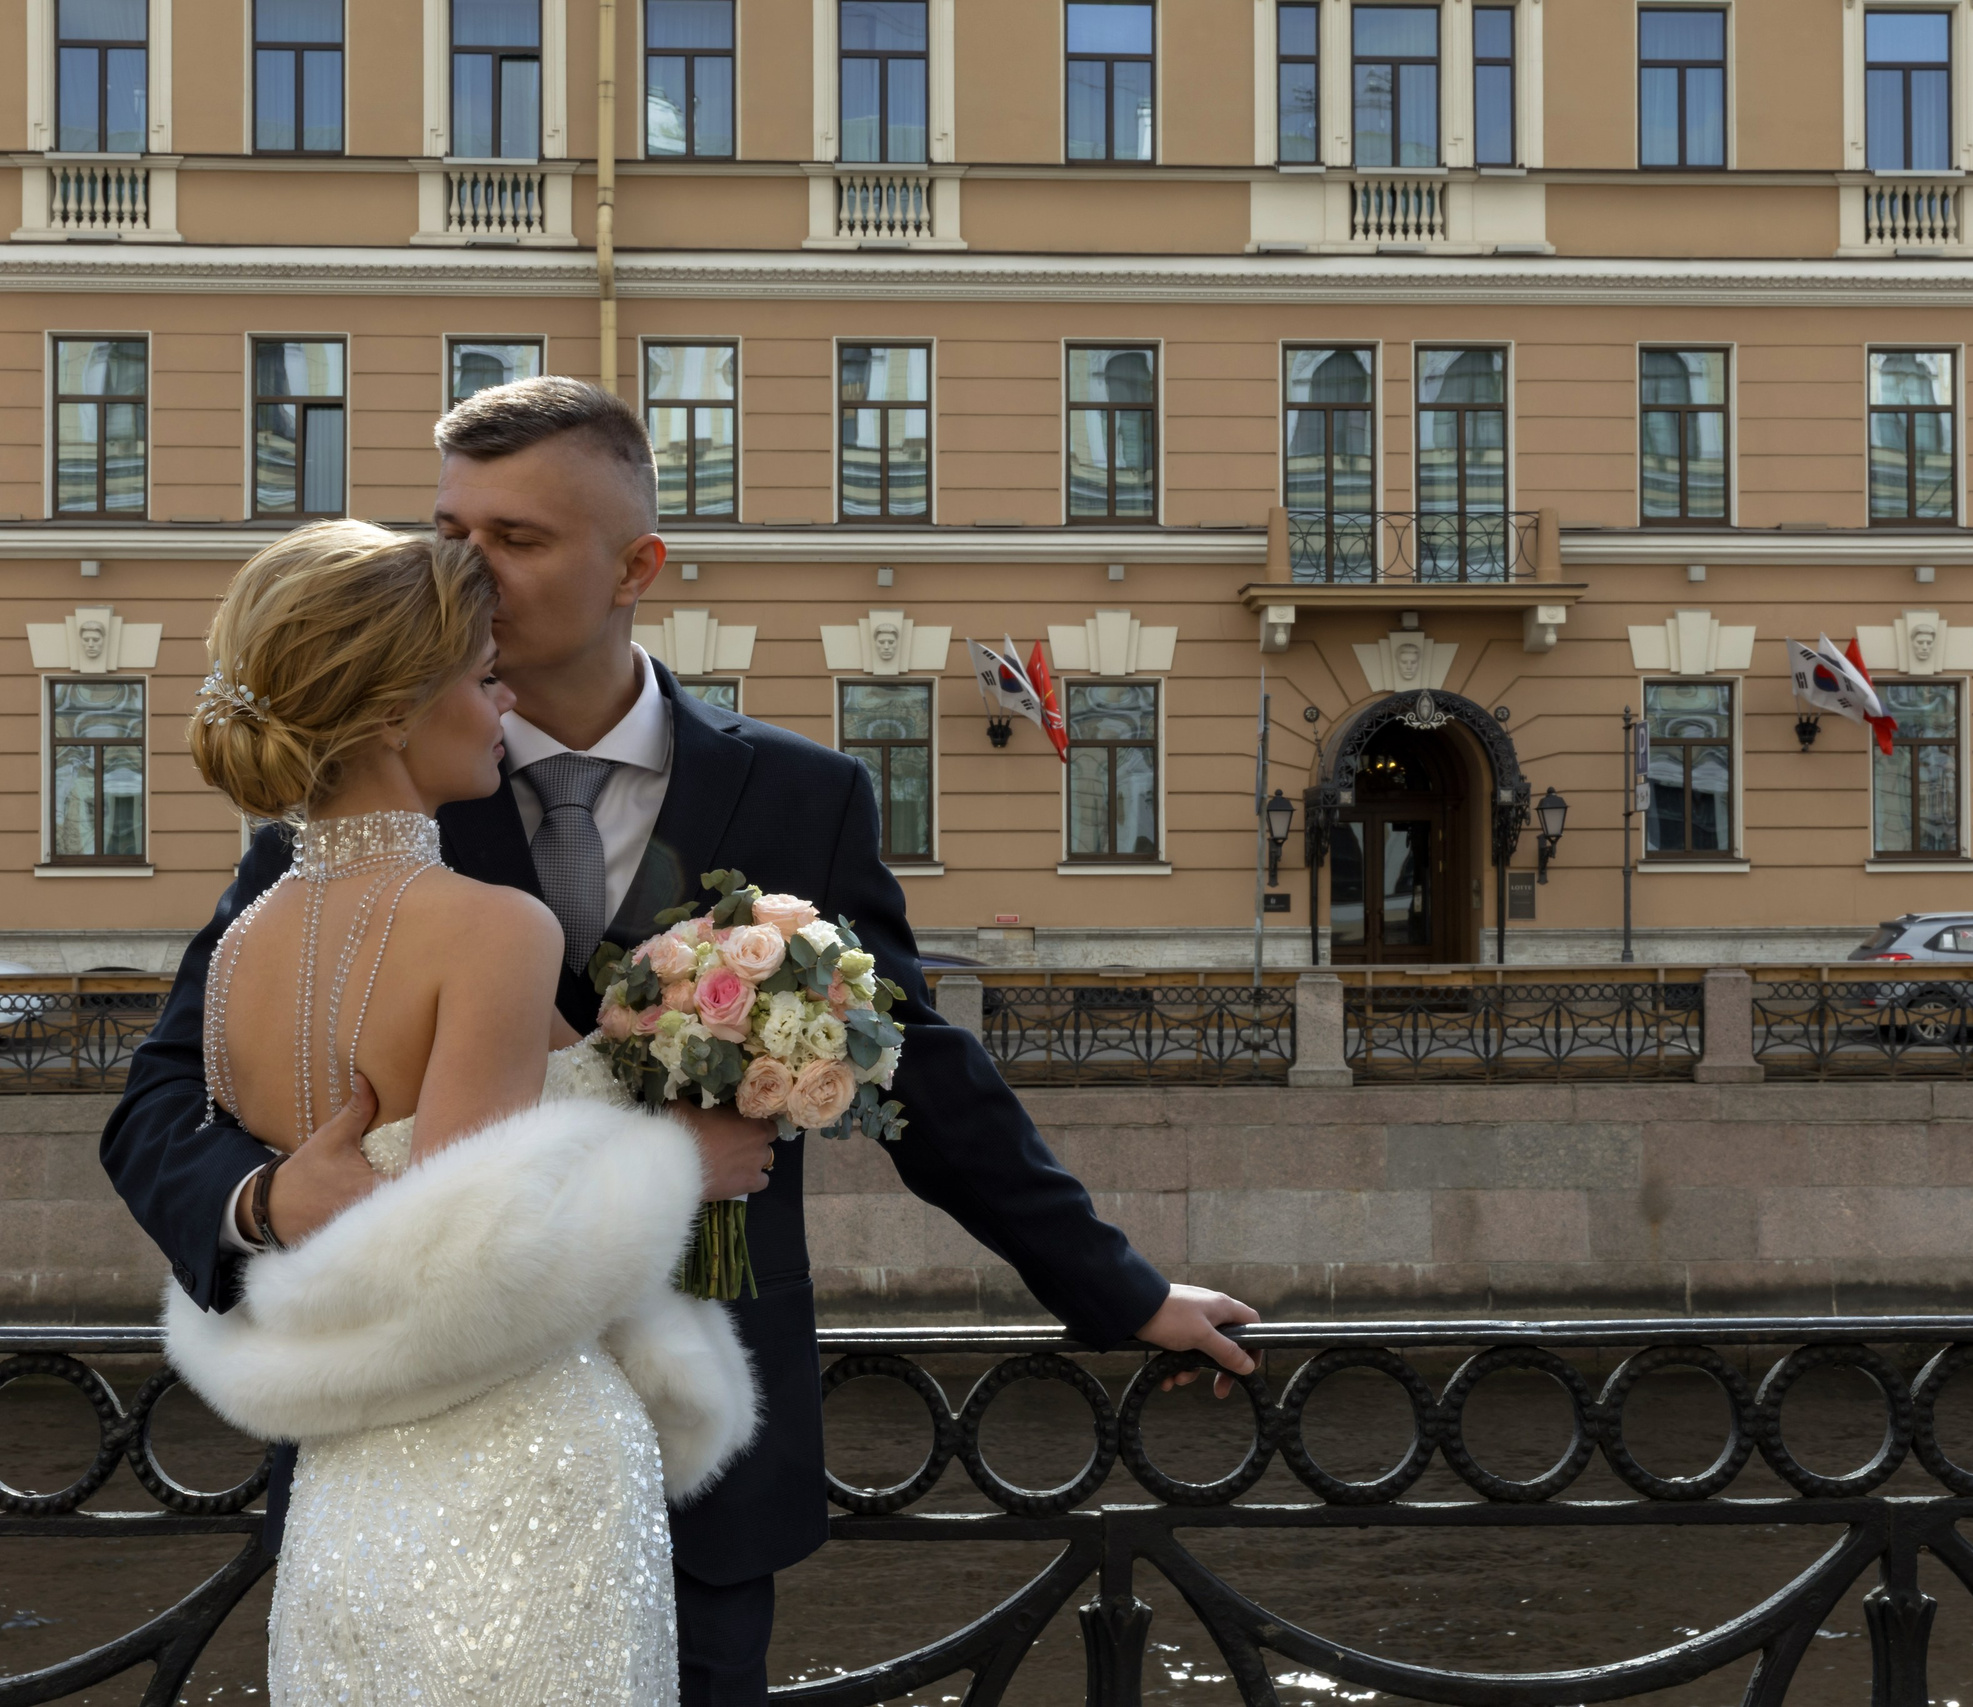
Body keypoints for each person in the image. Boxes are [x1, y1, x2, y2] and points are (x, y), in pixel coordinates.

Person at [102, 377, 1261, 1706]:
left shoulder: (802, 792)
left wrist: (1121, 1288)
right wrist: (262, 1197)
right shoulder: (327, 827)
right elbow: (157, 1104)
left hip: (703, 1460)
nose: (460, 569)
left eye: (517, 539)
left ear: (635, 567)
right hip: (419, 1451)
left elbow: (921, 1071)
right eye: (447, 526)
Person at [154, 520, 760, 1705]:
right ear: (392, 710)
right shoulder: (495, 928)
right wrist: (674, 1164)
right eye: (484, 679)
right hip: (522, 1473)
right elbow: (472, 1275)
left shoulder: (240, 949)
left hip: (345, 1490)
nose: (502, 706)